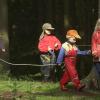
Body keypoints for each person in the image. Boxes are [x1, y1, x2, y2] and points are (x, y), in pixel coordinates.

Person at [91, 18, 100, 84]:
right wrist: (94, 52)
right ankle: (95, 81)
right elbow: (93, 43)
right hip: (97, 54)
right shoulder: (95, 34)